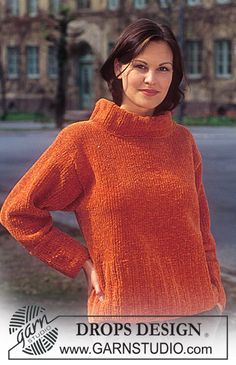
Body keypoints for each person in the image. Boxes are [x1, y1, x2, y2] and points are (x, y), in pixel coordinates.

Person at [0, 19, 226, 326]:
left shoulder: (182, 141)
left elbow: (201, 227)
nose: (151, 79)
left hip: (201, 314)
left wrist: (216, 291)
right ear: (119, 68)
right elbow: (18, 212)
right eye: (141, 66)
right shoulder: (83, 140)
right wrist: (80, 261)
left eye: (164, 69)